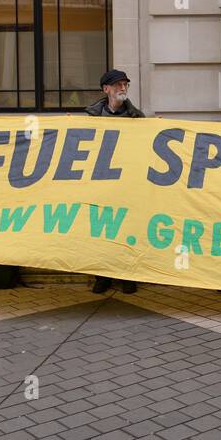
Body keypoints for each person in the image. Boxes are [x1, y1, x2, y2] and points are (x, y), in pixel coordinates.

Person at [86, 69, 143, 294]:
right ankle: (103, 276)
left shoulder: (137, 117)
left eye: (125, 84)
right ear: (106, 89)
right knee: (101, 232)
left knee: (127, 230)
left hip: (126, 184)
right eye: (118, 84)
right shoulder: (93, 116)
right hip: (100, 184)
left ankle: (127, 275)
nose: (123, 88)